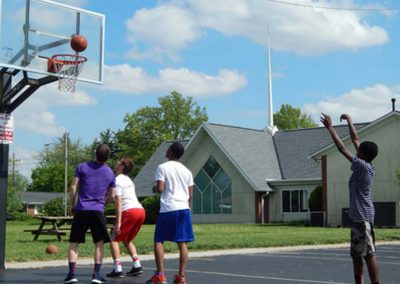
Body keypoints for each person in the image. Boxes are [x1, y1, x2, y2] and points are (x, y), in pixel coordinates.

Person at [321, 113, 380, 284]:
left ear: (362, 155)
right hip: (357, 219)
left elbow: (341, 148)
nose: (357, 148)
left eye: (359, 150)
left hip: (363, 219)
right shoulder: (366, 163)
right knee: (356, 255)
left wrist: (330, 128)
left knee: (369, 254)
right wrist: (350, 121)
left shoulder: (362, 167)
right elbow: (355, 138)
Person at [64, 143, 116, 284]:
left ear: (95, 153)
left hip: (82, 209)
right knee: (99, 243)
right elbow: (112, 196)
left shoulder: (82, 167)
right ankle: (96, 275)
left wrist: (72, 205)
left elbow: (73, 187)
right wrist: (102, 206)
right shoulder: (110, 172)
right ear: (107, 157)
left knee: (74, 242)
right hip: (97, 211)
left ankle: (71, 274)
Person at [146, 142, 194, 284]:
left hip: (169, 208)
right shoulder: (187, 171)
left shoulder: (162, 167)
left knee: (159, 240)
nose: (166, 150)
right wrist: (186, 205)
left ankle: (160, 275)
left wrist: (155, 188)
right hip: (184, 208)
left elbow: (160, 189)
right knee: (182, 242)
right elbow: (191, 195)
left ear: (171, 152)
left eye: (168, 149)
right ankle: (181, 277)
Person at [106, 156, 146, 278]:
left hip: (129, 211)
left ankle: (117, 268)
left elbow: (118, 200)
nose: (116, 163)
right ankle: (137, 264)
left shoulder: (117, 180)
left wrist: (118, 221)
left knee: (113, 238)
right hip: (140, 210)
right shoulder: (128, 180)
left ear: (122, 166)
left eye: (119, 162)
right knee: (126, 238)